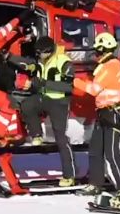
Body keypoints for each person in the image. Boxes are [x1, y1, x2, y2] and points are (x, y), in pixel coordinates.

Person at [73, 32, 120, 200]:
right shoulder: (105, 66)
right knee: (95, 150)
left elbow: (93, 90)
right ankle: (95, 184)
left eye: (98, 51)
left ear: (103, 50)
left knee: (112, 153)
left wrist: (74, 81)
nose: (95, 55)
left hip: (112, 113)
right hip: (103, 113)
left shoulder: (111, 66)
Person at [18, 35, 77, 187]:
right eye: (37, 53)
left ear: (49, 51)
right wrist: (9, 57)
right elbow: (28, 64)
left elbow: (69, 87)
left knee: (60, 137)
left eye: (41, 53)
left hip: (59, 102)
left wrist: (45, 84)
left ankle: (69, 175)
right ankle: (36, 134)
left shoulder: (64, 62)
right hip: (44, 99)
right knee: (27, 105)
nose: (39, 56)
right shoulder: (41, 60)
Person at [0, 9, 34, 145]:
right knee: (8, 102)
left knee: (13, 100)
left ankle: (13, 134)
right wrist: (19, 19)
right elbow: (6, 30)